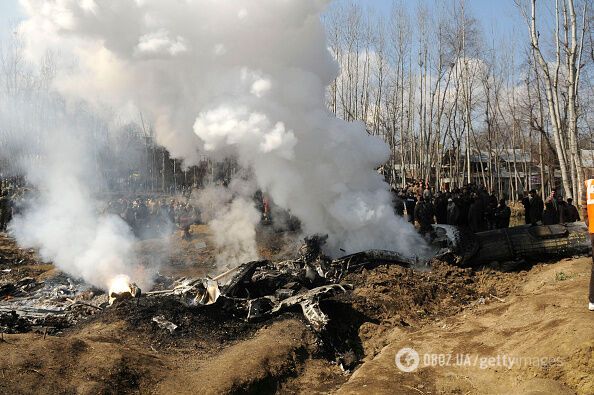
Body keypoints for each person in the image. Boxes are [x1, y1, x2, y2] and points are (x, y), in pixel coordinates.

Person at [579, 182, 594, 312]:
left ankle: (593, 300)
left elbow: (584, 208)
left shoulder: (588, 185)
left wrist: (589, 224)